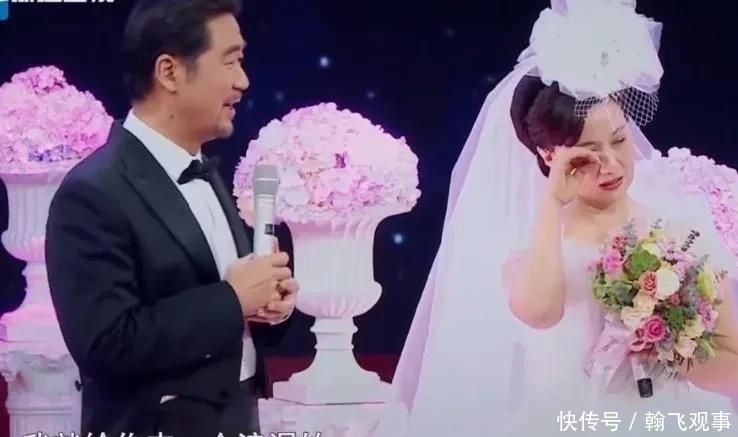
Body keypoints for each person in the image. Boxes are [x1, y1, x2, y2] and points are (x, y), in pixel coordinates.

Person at [387, 1, 738, 435]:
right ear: (550, 155)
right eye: (587, 154)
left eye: (619, 141)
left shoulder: (682, 230)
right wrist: (553, 202)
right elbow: (540, 312)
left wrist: (670, 346)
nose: (611, 165)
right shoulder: (529, 248)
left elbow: (732, 365)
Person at [45, 0, 297, 435]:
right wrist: (233, 300)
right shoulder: (92, 192)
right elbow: (106, 343)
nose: (243, 81)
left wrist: (268, 305)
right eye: (231, 61)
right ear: (170, 72)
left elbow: (224, 314)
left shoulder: (205, 170)